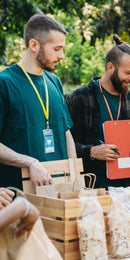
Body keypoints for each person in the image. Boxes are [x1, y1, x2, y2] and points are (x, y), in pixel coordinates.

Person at [0, 14, 76, 189]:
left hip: (59, 190)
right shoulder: (4, 82)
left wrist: (75, 176)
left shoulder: (54, 81)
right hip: (19, 196)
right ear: (34, 45)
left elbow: (66, 133)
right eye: (56, 49)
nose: (62, 55)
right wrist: (30, 163)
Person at [66, 35, 130, 189]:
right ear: (110, 67)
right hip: (90, 187)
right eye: (128, 72)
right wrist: (91, 151)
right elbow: (63, 144)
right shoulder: (79, 98)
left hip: (126, 187)